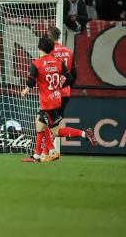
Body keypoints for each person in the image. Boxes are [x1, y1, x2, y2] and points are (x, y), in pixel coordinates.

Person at [21, 36, 92, 163]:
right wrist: (60, 86)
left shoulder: (36, 64)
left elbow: (31, 81)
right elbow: (70, 78)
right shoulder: (58, 62)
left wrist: (26, 89)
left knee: (56, 131)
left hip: (47, 103)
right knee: (39, 124)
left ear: (39, 48)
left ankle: (82, 135)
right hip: (56, 99)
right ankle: (38, 155)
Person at [40, 27, 97, 159]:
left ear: (49, 36)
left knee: (45, 123)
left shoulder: (48, 52)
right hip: (65, 94)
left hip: (51, 94)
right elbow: (74, 74)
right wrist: (64, 86)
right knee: (51, 125)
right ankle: (47, 152)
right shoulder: (68, 51)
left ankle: (48, 153)